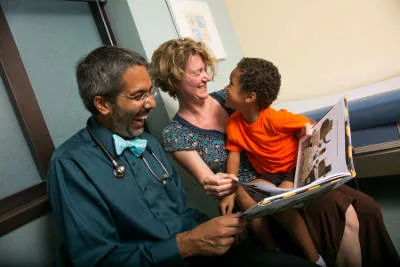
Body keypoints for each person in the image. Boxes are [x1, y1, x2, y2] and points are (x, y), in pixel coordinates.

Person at [46, 45, 317, 267]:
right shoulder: (70, 165)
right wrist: (185, 244)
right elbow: (94, 261)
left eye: (150, 92)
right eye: (139, 96)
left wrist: (217, 227)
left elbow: (181, 214)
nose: (151, 103)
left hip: (204, 252)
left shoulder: (149, 145)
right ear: (102, 104)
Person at [150, 37, 400, 267]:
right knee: (339, 216)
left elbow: (273, 123)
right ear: (174, 80)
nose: (207, 77)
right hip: (249, 198)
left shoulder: (229, 98)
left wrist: (301, 135)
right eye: (197, 73)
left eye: (205, 69)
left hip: (284, 178)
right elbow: (210, 180)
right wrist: (224, 187)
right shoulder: (176, 134)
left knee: (365, 208)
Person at [221, 57, 326, 266]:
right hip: (268, 175)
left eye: (231, 84)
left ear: (250, 97)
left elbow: (311, 123)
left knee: (282, 205)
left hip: (291, 170)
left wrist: (307, 130)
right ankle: (271, 248)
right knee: (245, 195)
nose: (225, 88)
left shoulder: (276, 118)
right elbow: (233, 153)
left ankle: (316, 259)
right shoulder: (233, 124)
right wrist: (231, 182)